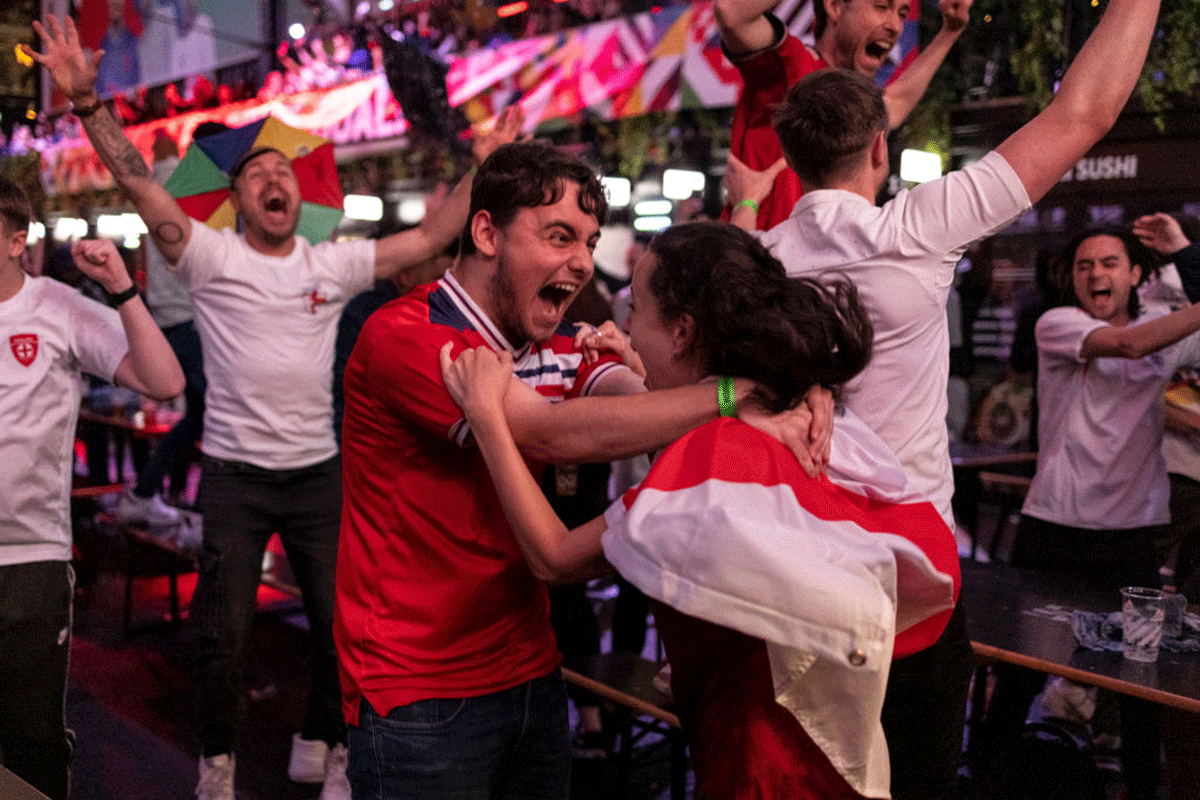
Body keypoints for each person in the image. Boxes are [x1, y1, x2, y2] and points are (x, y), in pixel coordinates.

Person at [24, 15, 522, 800]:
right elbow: (139, 183)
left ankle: (328, 744)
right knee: (223, 638)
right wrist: (87, 105)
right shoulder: (211, 256)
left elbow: (433, 231)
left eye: (281, 169)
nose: (271, 179)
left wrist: (487, 163)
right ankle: (215, 766)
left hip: (318, 477)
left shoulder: (336, 260)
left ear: (301, 189)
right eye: (254, 174)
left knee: (340, 631)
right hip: (234, 478)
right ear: (235, 200)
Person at [723, 0, 1164, 793]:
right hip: (909, 571)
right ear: (879, 148)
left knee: (809, 775)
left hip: (788, 562)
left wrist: (750, 203)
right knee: (916, 775)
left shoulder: (757, 261)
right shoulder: (917, 227)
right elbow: (1085, 112)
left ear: (789, 155)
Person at [336, 142, 832, 800]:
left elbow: (638, 405)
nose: (580, 261)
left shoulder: (565, 339)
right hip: (419, 686)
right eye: (559, 236)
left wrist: (775, 401)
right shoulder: (406, 334)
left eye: (589, 240)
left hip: (532, 667)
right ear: (486, 232)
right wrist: (733, 396)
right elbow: (549, 433)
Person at [438, 220, 959, 799]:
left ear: (683, 333)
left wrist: (487, 416)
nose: (626, 327)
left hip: (765, 776)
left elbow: (556, 557)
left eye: (638, 310)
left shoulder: (710, 457)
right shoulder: (802, 418)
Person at [0, 177, 184, 800]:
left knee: (30, 745)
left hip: (30, 562)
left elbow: (163, 380)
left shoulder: (56, 305)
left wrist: (121, 288)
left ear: (15, 240)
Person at [1014, 226, 1200, 588]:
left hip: (1139, 527)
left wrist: (1184, 251)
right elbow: (1129, 344)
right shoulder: (1058, 323)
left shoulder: (1164, 326)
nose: (1096, 273)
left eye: (1109, 263)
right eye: (1084, 266)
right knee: (1035, 644)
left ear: (1134, 274)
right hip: (1058, 519)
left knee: (1127, 643)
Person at [714, 0, 972, 229]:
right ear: (835, 6)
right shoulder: (793, 67)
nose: (895, 26)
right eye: (881, 7)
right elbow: (732, 14)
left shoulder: (856, 100)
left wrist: (950, 31)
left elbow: (894, 102)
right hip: (752, 272)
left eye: (902, 14)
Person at [114, 129, 199, 524]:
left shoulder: (157, 186)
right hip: (188, 317)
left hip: (168, 314)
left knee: (200, 412)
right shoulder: (187, 184)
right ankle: (176, 500)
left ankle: (156, 492)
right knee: (211, 412)